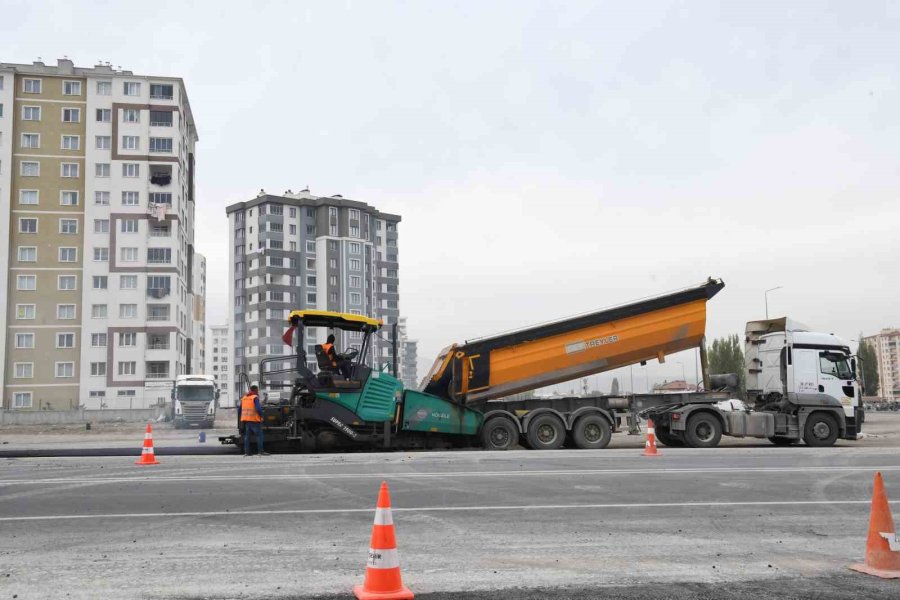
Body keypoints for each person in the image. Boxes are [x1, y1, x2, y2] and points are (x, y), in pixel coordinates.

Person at [239, 385, 268, 456]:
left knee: (247, 437)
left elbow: (239, 409)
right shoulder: (254, 397)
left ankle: (247, 452)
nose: (258, 392)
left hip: (246, 420)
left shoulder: (244, 398)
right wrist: (261, 416)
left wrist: (243, 417)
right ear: (255, 390)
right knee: (259, 436)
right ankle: (260, 452)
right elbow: (258, 408)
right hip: (254, 420)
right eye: (257, 390)